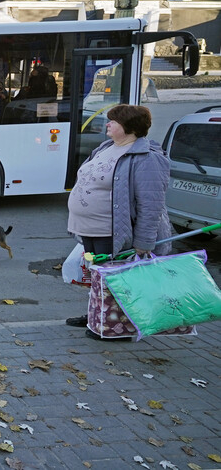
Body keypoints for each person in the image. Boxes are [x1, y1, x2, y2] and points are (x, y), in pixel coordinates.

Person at [64, 104, 171, 339]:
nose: (108, 124)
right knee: (97, 276)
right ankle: (96, 316)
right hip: (91, 229)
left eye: (114, 121)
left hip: (111, 231)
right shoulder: (106, 147)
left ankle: (115, 327)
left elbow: (151, 205)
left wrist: (144, 242)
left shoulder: (146, 158)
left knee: (115, 279)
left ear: (129, 127)